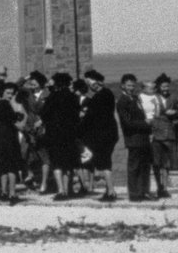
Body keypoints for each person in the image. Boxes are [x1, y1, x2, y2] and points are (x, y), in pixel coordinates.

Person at [78, 69, 120, 201]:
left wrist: (83, 115)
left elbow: (91, 116)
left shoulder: (99, 96)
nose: (89, 85)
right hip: (110, 132)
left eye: (89, 82)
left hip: (102, 134)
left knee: (104, 163)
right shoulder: (107, 94)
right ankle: (109, 189)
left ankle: (111, 191)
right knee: (105, 161)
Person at [40, 72, 82, 200]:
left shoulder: (53, 97)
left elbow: (43, 113)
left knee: (57, 163)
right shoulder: (73, 97)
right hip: (70, 133)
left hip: (55, 133)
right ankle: (67, 189)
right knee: (68, 164)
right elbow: (77, 115)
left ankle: (61, 190)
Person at [115, 74, 155, 201]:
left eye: (133, 85)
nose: (131, 88)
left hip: (143, 137)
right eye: (128, 85)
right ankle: (134, 194)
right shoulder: (122, 101)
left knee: (145, 166)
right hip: (133, 138)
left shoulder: (136, 98)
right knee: (134, 167)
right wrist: (145, 123)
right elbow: (127, 123)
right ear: (122, 85)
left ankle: (144, 191)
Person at [0, 80, 25, 203]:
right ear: (3, 92)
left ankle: (4, 192)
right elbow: (13, 119)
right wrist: (18, 115)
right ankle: (12, 193)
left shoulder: (0, 104)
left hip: (0, 138)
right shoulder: (5, 104)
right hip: (9, 138)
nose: (10, 95)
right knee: (12, 167)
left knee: (3, 166)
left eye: (12, 93)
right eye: (8, 92)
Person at [146, 73, 177, 183]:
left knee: (166, 161)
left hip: (168, 133)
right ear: (158, 87)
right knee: (156, 161)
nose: (165, 89)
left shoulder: (173, 97)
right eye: (163, 86)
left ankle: (164, 185)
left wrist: (175, 112)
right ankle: (159, 184)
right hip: (156, 133)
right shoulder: (153, 98)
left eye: (167, 86)